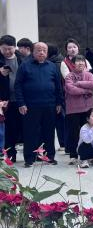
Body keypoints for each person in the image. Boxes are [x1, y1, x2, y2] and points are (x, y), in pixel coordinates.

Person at [15, 42, 63, 167]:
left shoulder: (52, 66)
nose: (41, 52)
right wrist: (21, 103)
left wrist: (59, 102)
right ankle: (29, 159)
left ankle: (49, 156)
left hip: (50, 105)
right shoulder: (25, 66)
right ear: (33, 51)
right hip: (30, 106)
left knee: (49, 132)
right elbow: (18, 86)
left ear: (47, 53)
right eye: (39, 50)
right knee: (30, 132)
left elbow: (58, 86)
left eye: (44, 50)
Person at [64, 55, 93, 164]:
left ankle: (87, 154)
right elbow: (71, 89)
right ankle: (73, 155)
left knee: (88, 132)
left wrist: (79, 83)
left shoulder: (89, 74)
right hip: (73, 109)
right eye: (78, 61)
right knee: (73, 133)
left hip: (88, 108)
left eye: (82, 61)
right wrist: (86, 91)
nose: (80, 63)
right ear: (73, 64)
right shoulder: (69, 76)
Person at [0, 35, 24, 163]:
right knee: (9, 129)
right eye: (4, 49)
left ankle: (30, 154)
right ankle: (10, 154)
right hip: (5, 101)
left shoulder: (22, 59)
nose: (7, 51)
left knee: (23, 127)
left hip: (21, 99)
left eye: (10, 48)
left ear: (15, 47)